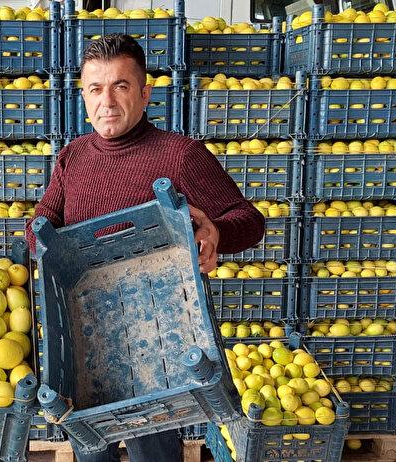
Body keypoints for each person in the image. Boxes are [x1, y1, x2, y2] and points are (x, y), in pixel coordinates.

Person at [25, 34, 265, 461]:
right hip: (88, 341)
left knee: (153, 452)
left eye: (121, 86)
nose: (107, 101)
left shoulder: (180, 156)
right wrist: (43, 241)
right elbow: (41, 226)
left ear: (145, 93)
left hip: (162, 341)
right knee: (92, 452)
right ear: (83, 95)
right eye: (95, 89)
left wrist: (215, 234)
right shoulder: (72, 158)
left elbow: (249, 219)